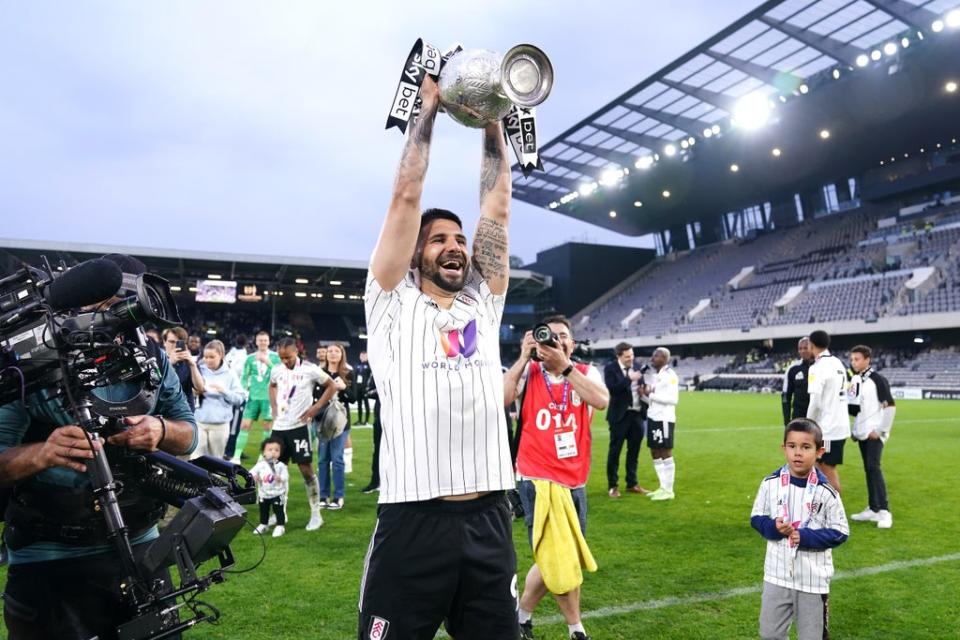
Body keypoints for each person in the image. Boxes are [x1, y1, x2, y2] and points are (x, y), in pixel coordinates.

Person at [358, 74, 517, 639]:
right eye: (438, 240)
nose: (454, 246)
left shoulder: (483, 302)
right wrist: (427, 112)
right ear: (416, 255)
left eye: (459, 239)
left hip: (490, 519)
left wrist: (492, 117)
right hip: (413, 522)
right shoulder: (389, 305)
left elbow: (496, 203)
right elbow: (406, 195)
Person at [0, 326, 198, 638]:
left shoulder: (151, 356)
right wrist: (43, 453)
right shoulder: (28, 359)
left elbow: (188, 434)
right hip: (53, 560)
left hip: (142, 547)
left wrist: (161, 430)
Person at [503, 316, 608, 640]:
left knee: (566, 555)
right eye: (549, 336)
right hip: (538, 479)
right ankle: (576, 628)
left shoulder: (587, 372)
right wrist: (523, 357)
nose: (556, 341)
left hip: (575, 480)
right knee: (556, 554)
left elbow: (601, 401)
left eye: (563, 336)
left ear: (572, 344)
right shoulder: (530, 372)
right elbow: (502, 400)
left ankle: (520, 617)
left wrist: (565, 367)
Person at [751, 418, 849, 640]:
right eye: (792, 446)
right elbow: (756, 517)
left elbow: (841, 531)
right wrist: (773, 527)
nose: (798, 453)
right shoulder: (770, 483)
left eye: (806, 447)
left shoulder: (827, 491)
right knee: (769, 634)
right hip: (776, 576)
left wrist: (804, 536)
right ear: (783, 448)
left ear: (819, 451)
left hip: (812, 580)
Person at [269, 337, 343, 531]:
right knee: (276, 471)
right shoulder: (276, 370)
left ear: (297, 352)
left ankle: (316, 514)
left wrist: (316, 408)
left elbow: (332, 386)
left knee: (306, 470)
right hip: (279, 428)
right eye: (281, 357)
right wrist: (274, 407)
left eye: (288, 357)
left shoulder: (309, 369)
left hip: (298, 427)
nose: (285, 361)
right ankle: (279, 513)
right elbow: (272, 385)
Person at [847, 345, 895, 529]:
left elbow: (890, 406)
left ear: (867, 359)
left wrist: (881, 430)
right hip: (863, 433)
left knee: (874, 468)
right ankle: (873, 508)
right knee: (868, 469)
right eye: (852, 359)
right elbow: (857, 410)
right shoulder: (857, 380)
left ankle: (884, 511)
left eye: (857, 359)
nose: (854, 362)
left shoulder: (877, 380)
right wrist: (855, 431)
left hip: (875, 433)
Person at [805, 330, 849, 493]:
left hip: (828, 428)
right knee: (816, 466)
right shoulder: (838, 362)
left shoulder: (818, 367)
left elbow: (815, 401)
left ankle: (836, 513)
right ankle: (820, 509)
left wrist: (808, 425)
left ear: (811, 344)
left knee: (827, 470)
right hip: (840, 424)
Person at [602, 342, 647, 498]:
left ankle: (632, 483)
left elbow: (641, 384)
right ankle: (613, 486)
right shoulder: (610, 368)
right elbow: (613, 389)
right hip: (619, 416)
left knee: (634, 452)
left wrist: (644, 389)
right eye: (627, 356)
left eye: (632, 355)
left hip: (637, 415)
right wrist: (628, 378)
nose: (631, 359)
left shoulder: (638, 365)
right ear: (619, 356)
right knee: (615, 452)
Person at [317, 343, 354, 510]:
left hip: (341, 422)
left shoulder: (349, 372)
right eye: (330, 351)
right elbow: (314, 397)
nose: (332, 354)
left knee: (337, 460)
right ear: (325, 354)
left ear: (342, 354)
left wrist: (344, 388)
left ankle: (339, 497)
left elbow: (354, 398)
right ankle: (323, 496)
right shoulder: (319, 373)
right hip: (321, 421)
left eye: (336, 351)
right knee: (323, 460)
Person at [194, 339, 245, 460]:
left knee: (215, 460)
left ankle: (213, 479)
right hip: (199, 421)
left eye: (212, 357)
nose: (208, 360)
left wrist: (223, 391)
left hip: (220, 425)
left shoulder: (230, 374)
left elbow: (240, 399)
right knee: (196, 458)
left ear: (221, 355)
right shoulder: (199, 370)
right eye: (206, 357)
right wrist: (196, 391)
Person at [640, 347, 680, 501]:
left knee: (665, 451)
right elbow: (653, 400)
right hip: (653, 417)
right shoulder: (657, 376)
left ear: (664, 358)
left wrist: (651, 394)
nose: (652, 358)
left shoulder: (670, 376)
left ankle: (669, 490)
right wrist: (643, 396)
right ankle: (662, 487)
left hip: (664, 419)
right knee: (655, 451)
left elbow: (673, 400)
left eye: (656, 355)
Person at [235, 331, 281, 463]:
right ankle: (236, 456)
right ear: (256, 342)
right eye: (260, 340)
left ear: (269, 341)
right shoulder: (250, 358)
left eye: (265, 340)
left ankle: (264, 456)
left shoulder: (275, 357)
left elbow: (279, 374)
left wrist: (268, 363)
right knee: (244, 426)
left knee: (267, 427)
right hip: (253, 398)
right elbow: (244, 376)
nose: (263, 342)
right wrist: (244, 390)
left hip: (268, 398)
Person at [250, 437, 289, 538]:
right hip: (264, 493)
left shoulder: (281, 466)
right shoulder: (260, 465)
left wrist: (280, 478)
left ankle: (280, 526)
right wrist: (255, 477)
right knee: (263, 510)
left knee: (278, 510)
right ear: (264, 452)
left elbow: (286, 476)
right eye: (270, 450)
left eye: (276, 450)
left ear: (280, 453)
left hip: (277, 493)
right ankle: (264, 524)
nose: (273, 452)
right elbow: (251, 473)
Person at [162, 326, 204, 412]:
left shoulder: (189, 363)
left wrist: (193, 365)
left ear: (185, 345)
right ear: (164, 342)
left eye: (178, 343)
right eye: (171, 342)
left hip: (184, 413)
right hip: (163, 412)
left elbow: (200, 388)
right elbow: (156, 387)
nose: (175, 346)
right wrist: (170, 363)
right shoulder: (158, 360)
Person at [222, 334, 249, 460]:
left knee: (228, 423)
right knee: (235, 425)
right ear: (246, 344)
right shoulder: (245, 357)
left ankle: (229, 448)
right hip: (238, 394)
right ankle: (230, 451)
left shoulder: (228, 355)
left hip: (226, 393)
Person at [781, 337, 813, 426]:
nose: (802, 351)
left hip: (818, 417)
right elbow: (785, 396)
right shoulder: (793, 369)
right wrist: (787, 421)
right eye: (800, 348)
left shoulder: (821, 367)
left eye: (805, 348)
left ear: (812, 348)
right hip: (798, 417)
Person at [360, 369, 382, 494]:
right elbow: (368, 391)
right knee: (378, 450)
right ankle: (375, 482)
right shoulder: (378, 371)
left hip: (402, 417)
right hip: (381, 417)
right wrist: (385, 390)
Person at [354, 351, 372, 425]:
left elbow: (371, 378)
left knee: (366, 404)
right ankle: (359, 420)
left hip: (365, 388)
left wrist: (369, 386)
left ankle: (366, 421)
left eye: (364, 356)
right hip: (358, 388)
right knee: (359, 404)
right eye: (362, 356)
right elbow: (354, 376)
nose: (363, 357)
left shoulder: (369, 365)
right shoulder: (357, 365)